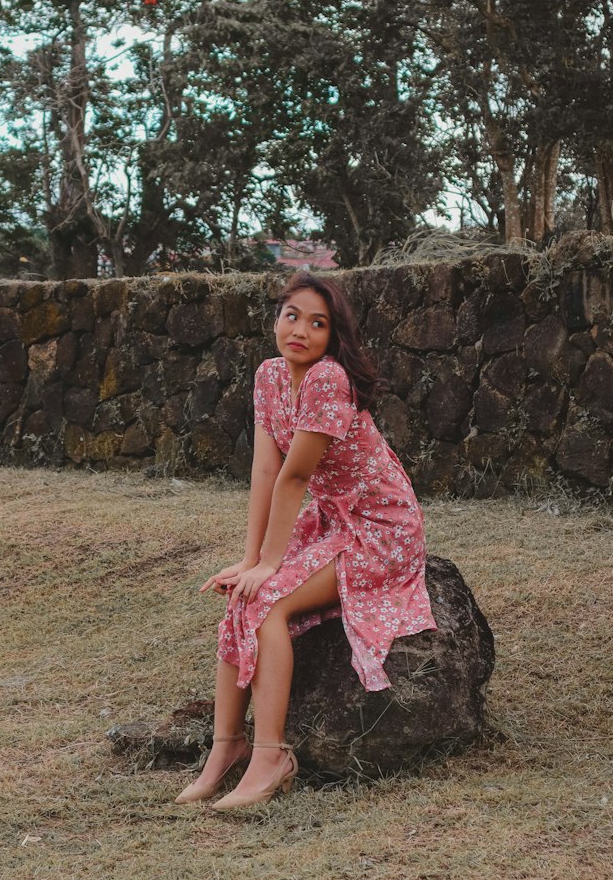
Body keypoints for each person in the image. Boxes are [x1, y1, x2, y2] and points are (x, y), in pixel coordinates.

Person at [176, 271, 437, 812]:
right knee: (243, 595)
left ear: (333, 335)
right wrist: (251, 561)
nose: (300, 330)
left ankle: (272, 757)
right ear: (277, 319)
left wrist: (271, 565)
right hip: (329, 519)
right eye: (291, 315)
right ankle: (228, 746)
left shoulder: (328, 379)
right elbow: (265, 472)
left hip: (379, 528)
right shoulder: (269, 376)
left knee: (268, 600)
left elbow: (296, 478)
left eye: (317, 323)